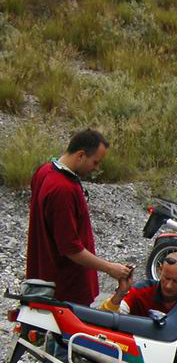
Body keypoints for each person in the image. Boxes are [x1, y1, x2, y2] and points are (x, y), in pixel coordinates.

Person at [26, 128, 132, 306]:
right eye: (95, 162)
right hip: (65, 289)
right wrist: (109, 268)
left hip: (43, 279)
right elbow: (70, 248)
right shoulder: (63, 189)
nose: (96, 168)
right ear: (81, 155)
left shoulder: (44, 171)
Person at [99, 252, 177, 315]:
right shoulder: (141, 292)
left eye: (176, 281)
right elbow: (106, 317)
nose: (169, 286)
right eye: (166, 278)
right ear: (160, 270)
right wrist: (121, 292)